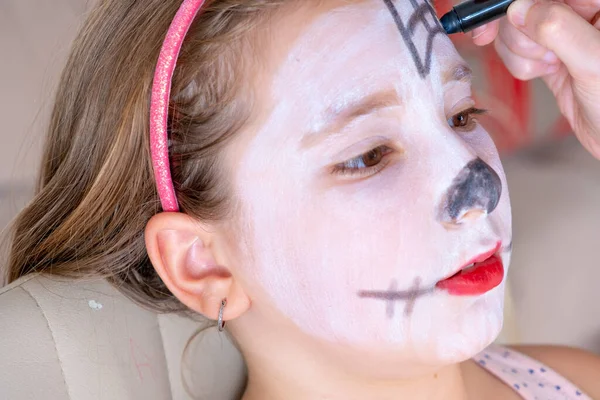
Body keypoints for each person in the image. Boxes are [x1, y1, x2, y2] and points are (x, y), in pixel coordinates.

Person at [3, 0, 599, 399]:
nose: (476, 186)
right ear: (203, 263)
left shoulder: (572, 379)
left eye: (461, 113)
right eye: (367, 155)